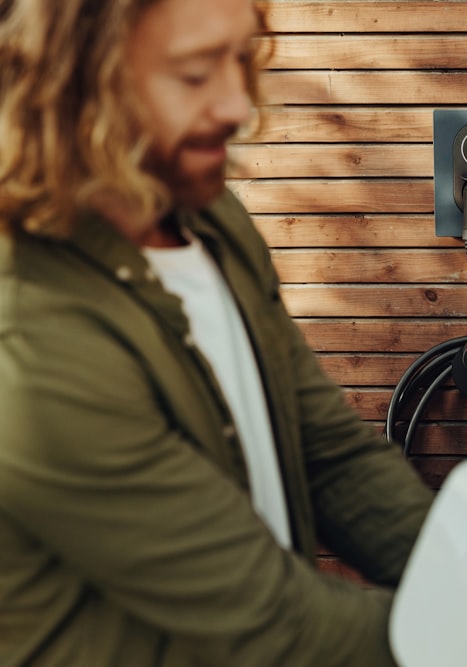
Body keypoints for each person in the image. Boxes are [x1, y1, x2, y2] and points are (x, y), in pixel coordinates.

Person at [0, 0, 435, 665]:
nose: (238, 104)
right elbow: (268, 622)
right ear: (78, 78)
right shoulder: (31, 332)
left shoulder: (212, 221)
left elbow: (332, 457)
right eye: (195, 74)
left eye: (240, 57)